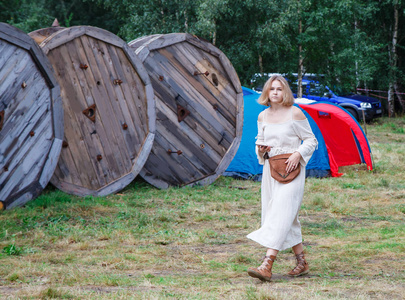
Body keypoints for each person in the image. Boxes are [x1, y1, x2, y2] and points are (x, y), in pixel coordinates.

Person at [246, 75, 318, 282]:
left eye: (279, 89)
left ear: (285, 92)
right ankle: (302, 261)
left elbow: (311, 140)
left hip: (293, 169)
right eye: (271, 89)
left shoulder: (294, 113)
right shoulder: (262, 117)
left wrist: (298, 154)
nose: (275, 92)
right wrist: (261, 149)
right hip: (272, 170)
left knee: (280, 213)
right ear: (266, 92)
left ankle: (267, 264)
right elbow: (259, 142)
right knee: (286, 216)